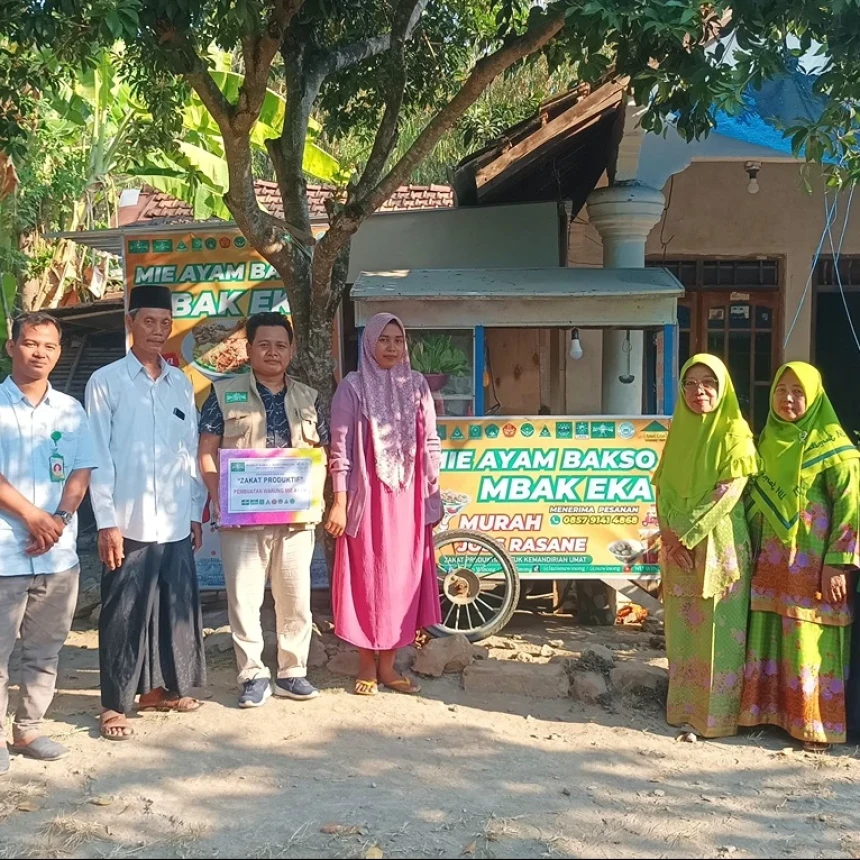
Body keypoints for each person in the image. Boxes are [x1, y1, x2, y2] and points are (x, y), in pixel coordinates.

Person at [86, 285, 207, 741]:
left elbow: (188, 450)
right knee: (124, 611)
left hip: (175, 518)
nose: (158, 331)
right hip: (128, 518)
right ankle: (114, 704)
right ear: (130, 324)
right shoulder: (107, 381)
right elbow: (97, 454)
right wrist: (106, 520)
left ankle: (164, 689)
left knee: (172, 607)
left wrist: (195, 510)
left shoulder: (179, 381)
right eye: (148, 322)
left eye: (164, 322)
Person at [198, 312, 329, 708]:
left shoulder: (310, 397)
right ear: (248, 349)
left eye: (281, 345)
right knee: (244, 598)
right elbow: (206, 452)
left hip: (295, 519)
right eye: (264, 344)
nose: (273, 352)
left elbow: (323, 453)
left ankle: (293, 672)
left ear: (291, 351)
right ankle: (252, 674)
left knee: (295, 597)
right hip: (242, 520)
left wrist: (318, 499)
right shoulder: (223, 393)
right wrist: (219, 493)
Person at [739, 362, 860, 752]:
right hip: (770, 567)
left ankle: (813, 725)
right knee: (770, 634)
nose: (788, 399)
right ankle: (768, 715)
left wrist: (838, 564)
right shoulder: (764, 442)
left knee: (811, 640)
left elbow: (851, 511)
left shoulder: (837, 451)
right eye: (781, 390)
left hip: (814, 570)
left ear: (814, 397)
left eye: (797, 391)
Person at [325, 313, 441, 696]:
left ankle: (389, 666)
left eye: (398, 339)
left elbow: (431, 444)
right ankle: (365, 665)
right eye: (384, 339)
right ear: (369, 343)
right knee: (367, 578)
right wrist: (339, 503)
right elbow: (339, 451)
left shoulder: (418, 386)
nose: (391, 347)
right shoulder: (352, 388)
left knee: (400, 581)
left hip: (407, 500)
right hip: (366, 501)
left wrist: (432, 494)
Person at [0, 313, 96, 774]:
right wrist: (33, 516)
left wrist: (57, 519)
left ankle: (29, 728)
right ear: (11, 346)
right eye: (31, 343)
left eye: (50, 346)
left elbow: (80, 470)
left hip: (58, 552)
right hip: (5, 550)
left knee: (45, 648)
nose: (40, 353)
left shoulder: (71, 409)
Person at [652, 354, 758, 740]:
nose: (700, 391)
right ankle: (682, 710)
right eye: (691, 383)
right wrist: (667, 534)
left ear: (723, 388)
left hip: (718, 547)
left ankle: (716, 719)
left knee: (719, 631)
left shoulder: (735, 433)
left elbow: (728, 493)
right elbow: (660, 486)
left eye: (708, 383)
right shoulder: (678, 432)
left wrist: (688, 535)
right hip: (676, 548)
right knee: (682, 629)